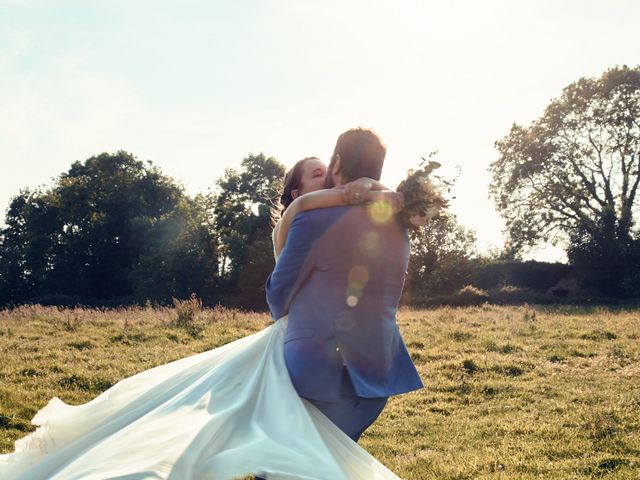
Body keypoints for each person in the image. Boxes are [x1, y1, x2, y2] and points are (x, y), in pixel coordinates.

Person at [0, 144, 411, 479]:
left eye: (327, 168)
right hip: (336, 352)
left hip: (305, 349)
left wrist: (364, 192)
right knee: (272, 446)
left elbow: (285, 293)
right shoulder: (306, 215)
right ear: (295, 190)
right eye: (314, 174)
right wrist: (372, 190)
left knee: (292, 452)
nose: (325, 178)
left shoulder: (320, 215)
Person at [266, 128, 424, 448]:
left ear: (337, 163)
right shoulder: (399, 226)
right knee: (320, 465)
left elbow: (277, 299)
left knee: (287, 464)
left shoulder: (312, 220)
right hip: (374, 381)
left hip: (314, 374)